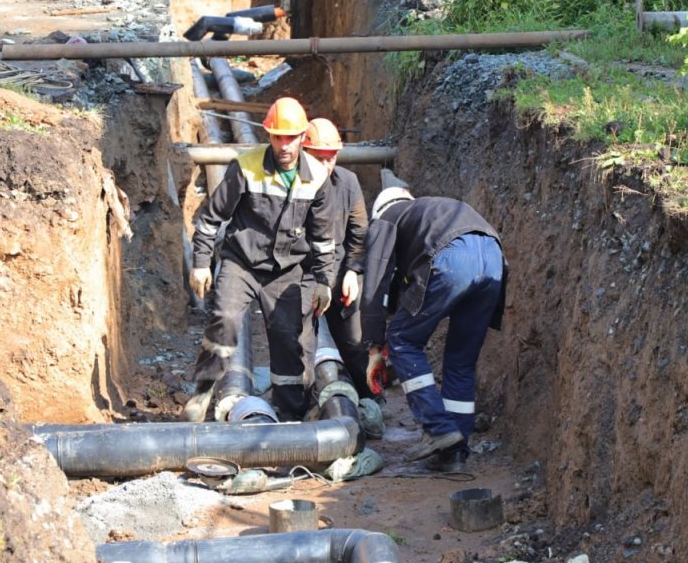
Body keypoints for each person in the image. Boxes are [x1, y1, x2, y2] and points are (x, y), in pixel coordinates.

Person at [185, 97, 336, 422]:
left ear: (302, 137)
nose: (285, 145)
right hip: (241, 263)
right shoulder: (247, 166)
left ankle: (289, 411)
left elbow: (324, 238)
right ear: (269, 135)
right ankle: (203, 391)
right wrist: (201, 262)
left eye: (291, 138)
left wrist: (325, 281)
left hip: (286, 270)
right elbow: (211, 218)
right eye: (278, 137)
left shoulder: (317, 178)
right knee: (225, 319)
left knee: (288, 339)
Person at [360, 187, 508, 471]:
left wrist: (375, 346)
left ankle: (438, 428)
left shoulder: (386, 218)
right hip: (493, 258)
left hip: (453, 256)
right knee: (460, 361)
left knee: (402, 339)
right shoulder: (429, 213)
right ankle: (454, 453)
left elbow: (375, 285)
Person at [296, 118, 371, 401]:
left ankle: (368, 399)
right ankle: (303, 405)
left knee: (355, 344)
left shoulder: (348, 183)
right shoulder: (290, 185)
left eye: (331, 158)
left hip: (339, 273)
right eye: (319, 159)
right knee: (300, 347)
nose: (326, 165)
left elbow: (359, 233)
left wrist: (352, 271)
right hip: (301, 276)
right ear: (304, 153)